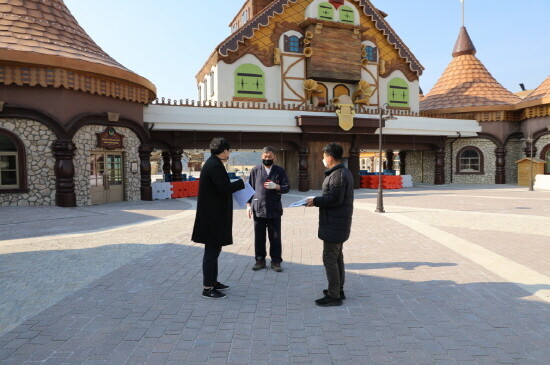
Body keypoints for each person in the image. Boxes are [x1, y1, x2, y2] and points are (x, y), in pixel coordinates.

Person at [192, 137, 245, 299]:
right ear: (223, 151)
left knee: (214, 251)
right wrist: (241, 183)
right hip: (212, 217)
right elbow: (224, 188)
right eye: (228, 150)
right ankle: (207, 288)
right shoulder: (214, 165)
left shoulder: (213, 163)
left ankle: (213, 281)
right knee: (211, 252)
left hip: (213, 215)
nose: (229, 153)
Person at [306, 143, 354, 307]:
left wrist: (315, 201)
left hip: (335, 223)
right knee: (337, 257)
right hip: (336, 223)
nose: (323, 159)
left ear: (330, 158)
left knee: (329, 259)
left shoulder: (338, 175)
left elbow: (335, 199)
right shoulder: (340, 173)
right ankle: (337, 289)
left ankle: (334, 295)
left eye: (324, 156)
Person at [247, 146, 290, 272]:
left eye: (270, 157)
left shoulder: (279, 171)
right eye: (265, 157)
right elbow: (249, 189)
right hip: (258, 208)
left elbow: (286, 187)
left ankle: (276, 261)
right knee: (259, 237)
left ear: (274, 157)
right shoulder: (255, 170)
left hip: (274, 208)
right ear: (261, 156)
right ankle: (260, 260)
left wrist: (276, 186)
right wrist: (248, 206)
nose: (267, 159)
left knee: (275, 237)